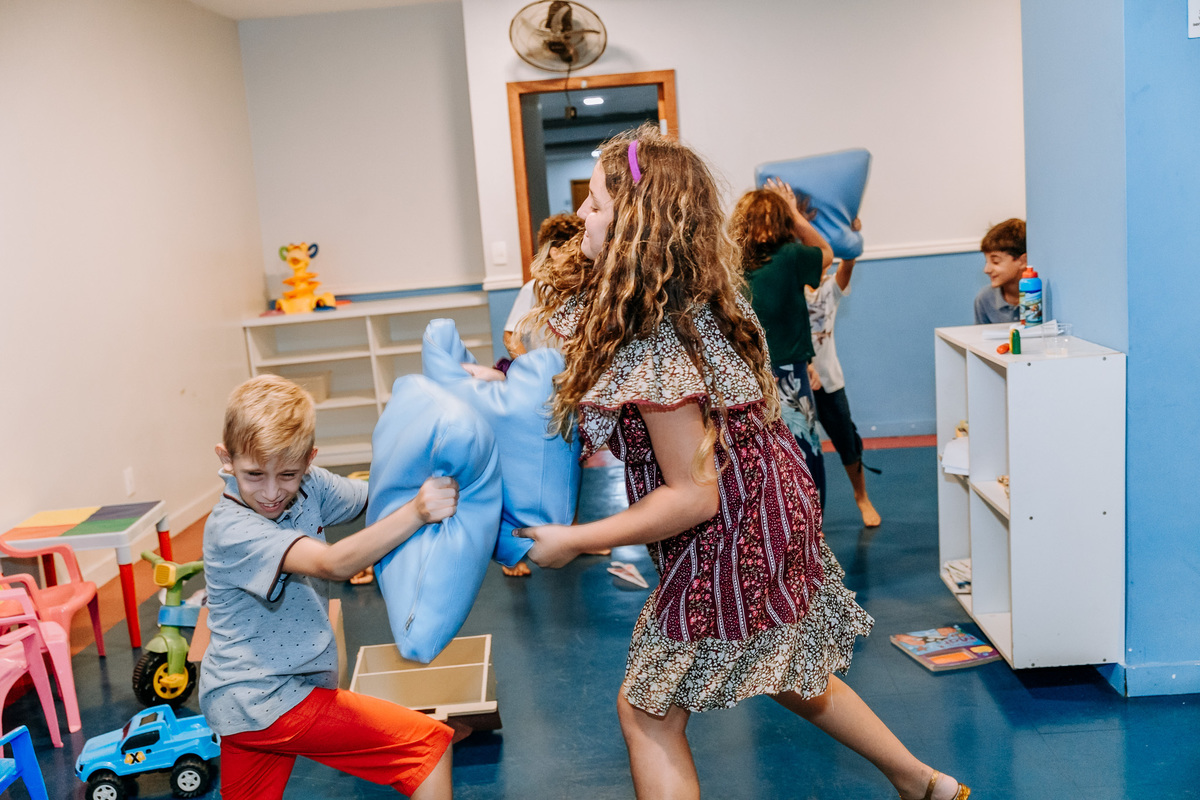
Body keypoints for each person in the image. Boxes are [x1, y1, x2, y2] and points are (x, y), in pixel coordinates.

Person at [517, 125, 970, 800]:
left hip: (730, 525)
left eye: (599, 203)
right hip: (764, 497)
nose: (582, 212)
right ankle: (923, 783)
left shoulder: (657, 339)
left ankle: (920, 781)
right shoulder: (691, 298)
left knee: (647, 713)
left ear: (638, 224)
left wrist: (576, 538)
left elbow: (692, 497)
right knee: (786, 665)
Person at [200, 374, 457, 800]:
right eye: (253, 474)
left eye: (287, 473)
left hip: (242, 706)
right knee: (427, 747)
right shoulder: (232, 528)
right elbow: (332, 563)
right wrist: (417, 512)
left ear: (309, 459)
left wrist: (434, 472)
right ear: (225, 458)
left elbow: (377, 496)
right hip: (272, 698)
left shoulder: (309, 486)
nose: (271, 492)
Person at [729, 179, 832, 505]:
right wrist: (795, 213)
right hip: (787, 371)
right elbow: (826, 253)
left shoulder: (733, 265)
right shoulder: (789, 256)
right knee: (802, 445)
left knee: (760, 452)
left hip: (747, 372)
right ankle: (808, 518)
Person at [806, 238, 882, 528]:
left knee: (847, 443)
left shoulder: (829, 290)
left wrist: (850, 235)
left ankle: (861, 496)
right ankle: (809, 514)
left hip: (829, 380)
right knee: (803, 448)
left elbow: (848, 263)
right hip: (797, 381)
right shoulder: (788, 290)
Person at [503, 213, 586, 359]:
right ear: (555, 252)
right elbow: (510, 336)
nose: (580, 256)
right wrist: (529, 369)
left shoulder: (582, 288)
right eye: (573, 250)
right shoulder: (534, 289)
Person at [973, 218, 1026, 324]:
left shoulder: (1037, 297)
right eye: (986, 262)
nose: (986, 270)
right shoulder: (985, 299)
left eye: (995, 261)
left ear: (1023, 261)